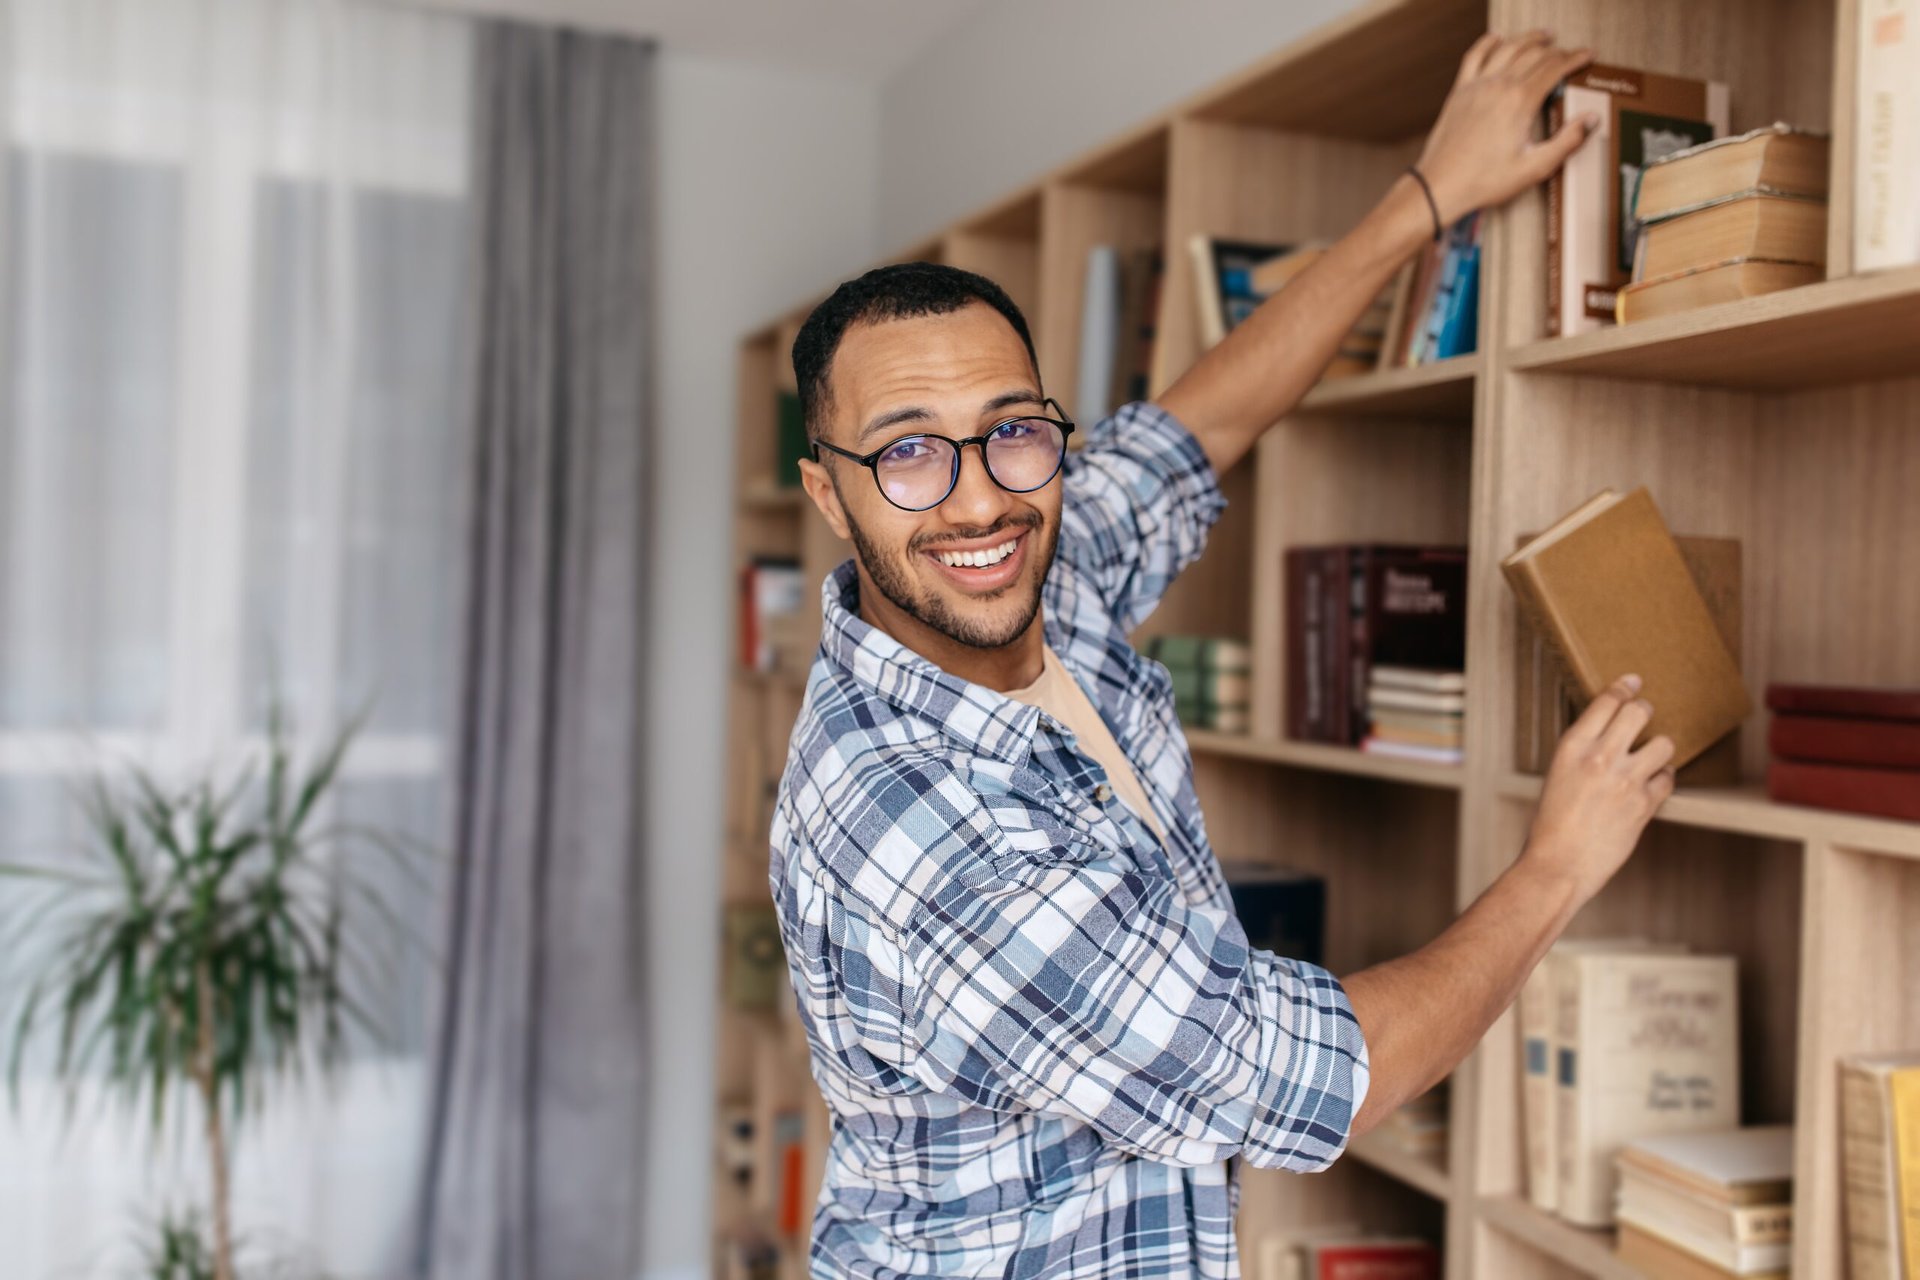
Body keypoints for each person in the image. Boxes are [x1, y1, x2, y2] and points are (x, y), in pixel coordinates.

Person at [771, 31, 1674, 1280]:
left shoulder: (1032, 569)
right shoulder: (925, 831)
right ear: (830, 494)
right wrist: (1562, 864)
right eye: (909, 449)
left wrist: (1428, 195)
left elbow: (1199, 428)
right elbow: (1315, 1082)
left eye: (1012, 431)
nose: (978, 498)